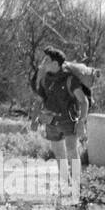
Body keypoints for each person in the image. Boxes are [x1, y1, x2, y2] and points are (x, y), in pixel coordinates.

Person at [31, 46, 89, 199]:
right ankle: (65, 186)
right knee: (59, 154)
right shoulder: (45, 79)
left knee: (71, 150)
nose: (44, 63)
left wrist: (82, 122)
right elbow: (39, 101)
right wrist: (34, 119)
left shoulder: (70, 79)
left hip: (69, 120)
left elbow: (83, 101)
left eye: (47, 60)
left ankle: (77, 187)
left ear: (56, 64)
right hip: (51, 120)